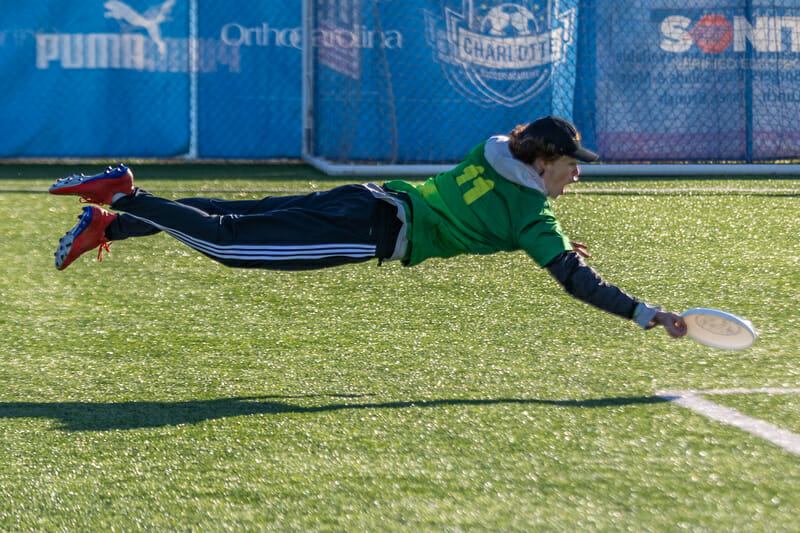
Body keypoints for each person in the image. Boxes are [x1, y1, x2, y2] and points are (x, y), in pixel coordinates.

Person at [49, 115, 687, 338]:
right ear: (544, 163)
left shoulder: (493, 149)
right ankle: (128, 196)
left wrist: (548, 239)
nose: (577, 176)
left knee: (229, 215)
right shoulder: (533, 217)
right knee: (229, 245)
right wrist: (645, 313)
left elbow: (502, 209)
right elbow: (574, 279)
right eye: (572, 166)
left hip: (368, 196)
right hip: (373, 231)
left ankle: (106, 226)